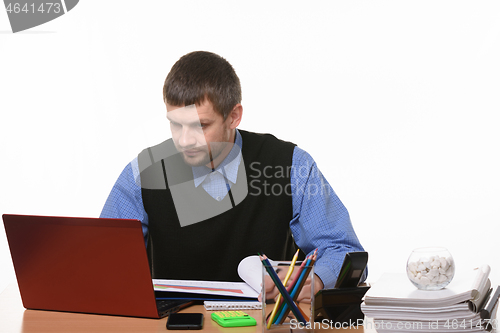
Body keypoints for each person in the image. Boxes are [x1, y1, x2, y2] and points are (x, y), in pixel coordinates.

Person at [100, 51, 366, 302]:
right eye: (175, 124)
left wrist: (315, 280)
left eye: (200, 125)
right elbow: (103, 260)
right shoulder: (143, 173)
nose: (184, 140)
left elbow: (345, 251)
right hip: (172, 325)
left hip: (264, 324)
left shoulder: (291, 165)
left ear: (234, 116)